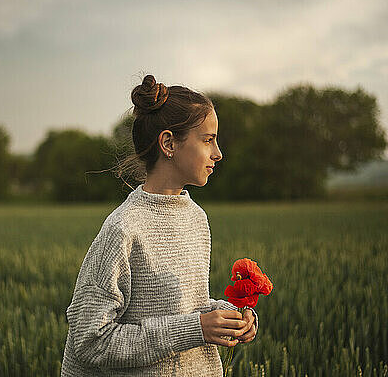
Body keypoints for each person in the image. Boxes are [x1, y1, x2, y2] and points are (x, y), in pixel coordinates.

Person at [60, 74, 258, 376]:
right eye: (207, 140)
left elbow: (182, 309)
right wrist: (197, 329)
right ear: (168, 143)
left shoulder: (196, 218)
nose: (218, 153)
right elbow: (90, 341)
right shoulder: (123, 229)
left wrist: (227, 316)